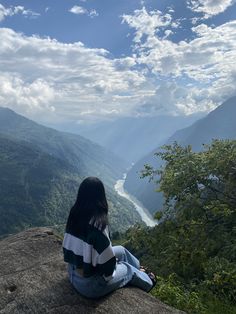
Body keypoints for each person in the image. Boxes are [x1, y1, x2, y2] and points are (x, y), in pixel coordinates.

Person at [62, 177, 156, 299]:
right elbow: (108, 270)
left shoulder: (74, 215)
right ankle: (149, 281)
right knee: (128, 270)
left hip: (72, 273)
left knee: (121, 250)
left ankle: (139, 269)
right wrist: (116, 266)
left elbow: (68, 250)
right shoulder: (98, 225)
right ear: (101, 197)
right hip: (90, 285)